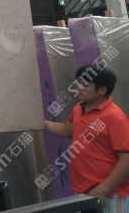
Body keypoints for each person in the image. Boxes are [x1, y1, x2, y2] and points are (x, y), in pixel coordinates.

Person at [45, 64, 129, 212]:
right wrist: (39, 123)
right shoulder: (79, 108)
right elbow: (66, 130)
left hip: (111, 194)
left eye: (85, 84)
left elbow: (126, 160)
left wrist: (102, 189)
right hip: (83, 192)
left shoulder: (115, 117)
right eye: (79, 82)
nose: (79, 87)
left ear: (102, 90)